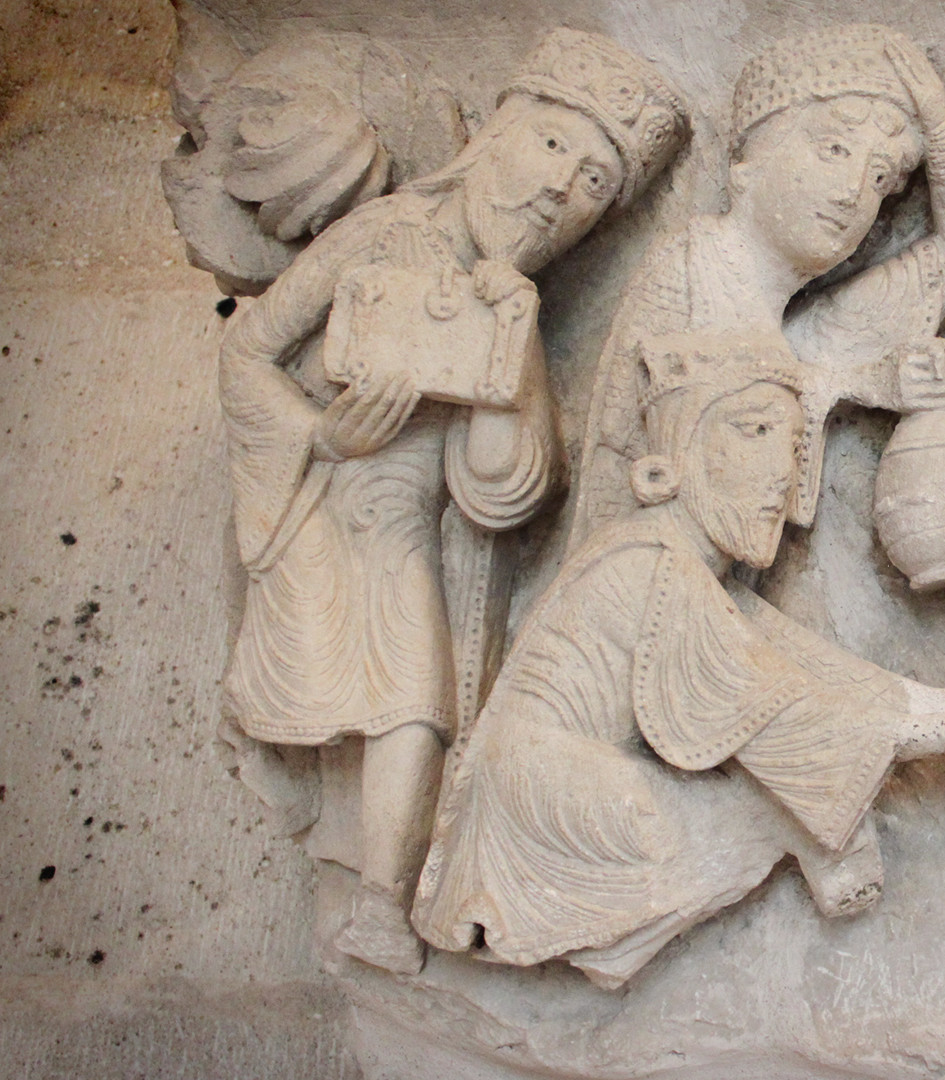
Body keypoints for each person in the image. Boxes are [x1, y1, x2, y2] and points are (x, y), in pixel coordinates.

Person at [215, 29, 687, 975]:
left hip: (403, 539)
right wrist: (317, 435)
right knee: (337, 691)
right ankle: (349, 856)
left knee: (418, 701)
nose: (562, 186)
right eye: (556, 144)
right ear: (497, 132)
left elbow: (512, 488)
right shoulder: (384, 233)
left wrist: (509, 364)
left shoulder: (517, 305)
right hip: (315, 510)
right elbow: (247, 350)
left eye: (596, 182)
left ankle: (383, 907)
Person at [411, 347, 945, 991]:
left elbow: (807, 667)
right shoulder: (653, 561)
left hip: (568, 788)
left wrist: (943, 705)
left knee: (780, 795)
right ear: (669, 465)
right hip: (553, 799)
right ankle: (815, 844)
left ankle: (820, 840)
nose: (777, 473)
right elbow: (768, 711)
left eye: (787, 447)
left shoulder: (694, 575)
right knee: (755, 806)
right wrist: (943, 735)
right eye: (751, 432)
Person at [569, 23, 945, 551]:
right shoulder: (689, 266)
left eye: (880, 177)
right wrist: (866, 383)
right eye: (834, 149)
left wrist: (939, 124)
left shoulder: (801, 326)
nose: (853, 192)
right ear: (752, 159)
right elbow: (640, 453)